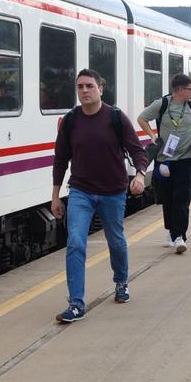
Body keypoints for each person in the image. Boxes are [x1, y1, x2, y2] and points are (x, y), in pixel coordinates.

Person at [51, 69, 148, 323]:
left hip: (113, 191)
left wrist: (139, 175)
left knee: (115, 240)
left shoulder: (116, 117)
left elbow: (138, 152)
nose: (84, 91)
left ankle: (121, 282)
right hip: (81, 191)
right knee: (75, 242)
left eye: (89, 86)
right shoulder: (71, 120)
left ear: (100, 89)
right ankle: (76, 303)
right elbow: (60, 159)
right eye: (80, 87)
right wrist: (55, 196)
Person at [138, 74, 191, 254]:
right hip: (165, 159)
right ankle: (171, 231)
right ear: (179, 90)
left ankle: (180, 237)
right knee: (167, 198)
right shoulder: (161, 104)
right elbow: (142, 118)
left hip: (187, 159)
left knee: (182, 198)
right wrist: (152, 136)